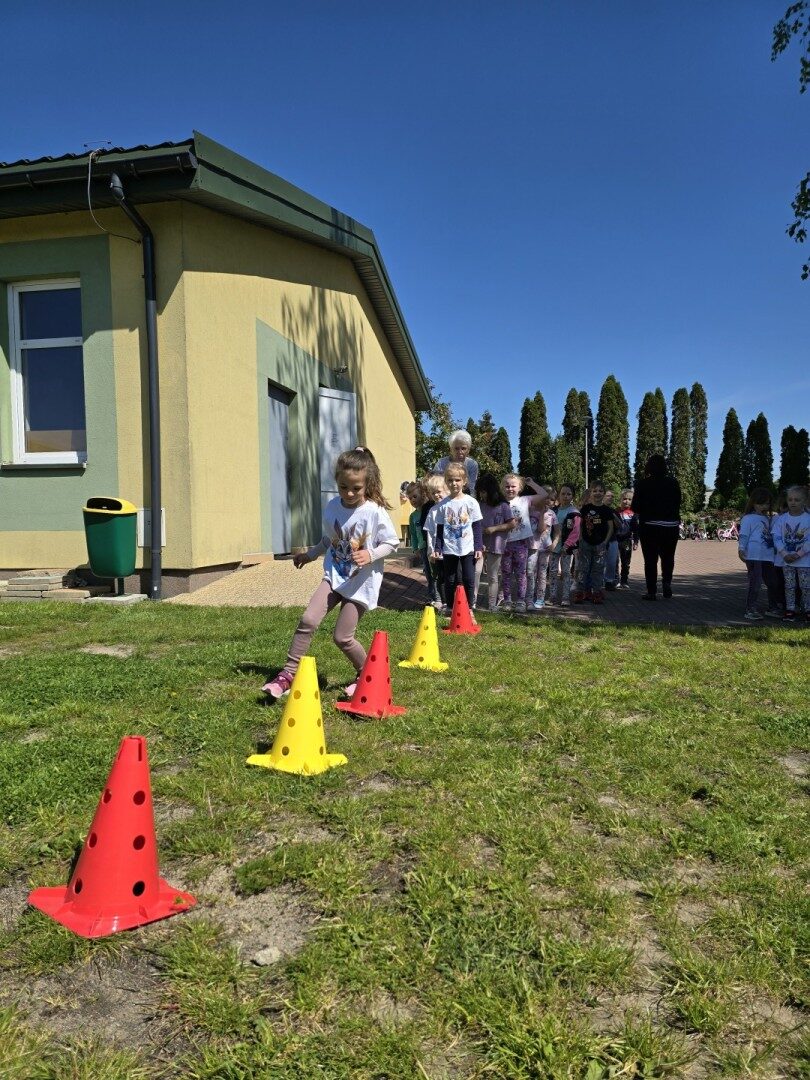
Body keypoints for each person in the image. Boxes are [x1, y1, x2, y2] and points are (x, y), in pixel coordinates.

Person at [262, 448, 399, 700]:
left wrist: (371, 555)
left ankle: (367, 675)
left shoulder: (374, 511)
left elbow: (391, 542)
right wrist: (310, 555)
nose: (349, 493)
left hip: (360, 583)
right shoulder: (333, 507)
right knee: (308, 620)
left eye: (356, 488)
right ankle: (288, 675)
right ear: (337, 481)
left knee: (342, 637)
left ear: (367, 483)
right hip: (334, 577)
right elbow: (329, 539)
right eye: (343, 487)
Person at [433, 463, 483, 615]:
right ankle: (450, 607)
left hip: (468, 548)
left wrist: (478, 547)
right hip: (449, 549)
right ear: (446, 481)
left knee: (468, 579)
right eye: (450, 480)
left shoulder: (471, 502)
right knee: (450, 579)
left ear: (464, 481)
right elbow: (440, 528)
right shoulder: (443, 505)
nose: (454, 483)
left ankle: (469, 608)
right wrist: (438, 547)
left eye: (457, 480)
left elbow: (477, 526)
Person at [631, 455, 681, 601]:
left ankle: (651, 591)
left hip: (649, 526)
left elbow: (635, 506)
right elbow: (678, 502)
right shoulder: (673, 482)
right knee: (668, 557)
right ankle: (666, 583)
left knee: (650, 560)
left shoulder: (642, 484)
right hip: (670, 526)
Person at [500, 474, 549, 613]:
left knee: (521, 574)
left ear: (520, 487)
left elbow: (544, 494)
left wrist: (531, 483)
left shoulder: (525, 500)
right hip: (504, 543)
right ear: (502, 488)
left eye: (513, 486)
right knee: (506, 573)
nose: (510, 489)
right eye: (507, 486)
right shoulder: (500, 502)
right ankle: (507, 600)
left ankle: (521, 601)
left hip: (521, 543)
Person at [474, 472, 515, 611]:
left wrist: (494, 528)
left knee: (492, 576)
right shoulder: (479, 504)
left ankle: (492, 605)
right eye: (480, 492)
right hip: (479, 544)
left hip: (496, 544)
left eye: (484, 492)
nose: (482, 495)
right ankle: (472, 602)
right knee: (476, 572)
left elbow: (511, 524)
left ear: (491, 490)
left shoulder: (503, 506)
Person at [738, 487, 780, 621]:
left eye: (766, 503)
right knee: (755, 584)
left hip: (768, 556)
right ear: (753, 503)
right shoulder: (748, 518)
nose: (763, 506)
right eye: (760, 503)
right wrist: (741, 549)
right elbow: (744, 535)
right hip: (753, 556)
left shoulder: (770, 518)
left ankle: (773, 607)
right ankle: (750, 609)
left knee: (773, 582)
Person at [772, 484, 810, 622]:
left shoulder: (808, 519)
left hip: (804, 561)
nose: (793, 502)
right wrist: (784, 554)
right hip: (786, 561)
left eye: (797, 500)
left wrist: (798, 555)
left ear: (804, 501)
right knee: (789, 586)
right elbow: (776, 537)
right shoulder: (781, 519)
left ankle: (808, 609)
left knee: (806, 587)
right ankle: (790, 609)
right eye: (790, 499)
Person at [573, 481, 614, 604]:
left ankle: (596, 592)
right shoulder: (586, 508)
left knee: (598, 570)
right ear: (590, 493)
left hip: (600, 544)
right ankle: (580, 592)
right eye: (595, 491)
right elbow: (580, 525)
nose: (597, 493)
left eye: (600, 491)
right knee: (582, 569)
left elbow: (610, 527)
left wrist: (605, 542)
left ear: (604, 493)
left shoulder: (607, 510)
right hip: (585, 543)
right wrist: (580, 539)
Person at [406, 480, 439, 607]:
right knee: (428, 573)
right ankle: (432, 597)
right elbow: (413, 534)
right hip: (423, 548)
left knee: (436, 572)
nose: (413, 500)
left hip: (432, 546)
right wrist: (415, 548)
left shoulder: (429, 510)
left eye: (415, 496)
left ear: (423, 494)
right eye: (410, 498)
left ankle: (440, 597)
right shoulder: (413, 516)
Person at [548, 484, 580, 607]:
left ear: (573, 496)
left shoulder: (574, 513)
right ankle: (552, 596)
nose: (565, 496)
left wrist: (567, 545)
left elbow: (576, 532)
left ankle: (565, 597)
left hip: (567, 548)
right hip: (554, 546)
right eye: (563, 494)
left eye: (568, 494)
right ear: (559, 495)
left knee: (566, 572)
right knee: (553, 571)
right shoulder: (553, 511)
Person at [423, 473, 450, 610]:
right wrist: (431, 551)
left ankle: (454, 602)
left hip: (452, 550)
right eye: (433, 493)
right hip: (437, 552)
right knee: (440, 577)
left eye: (439, 491)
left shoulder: (452, 507)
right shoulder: (432, 511)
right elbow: (429, 533)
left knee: (453, 577)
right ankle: (443, 602)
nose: (436, 495)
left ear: (447, 490)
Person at [527, 493, 555, 609]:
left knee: (542, 574)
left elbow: (554, 530)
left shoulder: (551, 513)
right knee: (530, 572)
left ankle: (540, 598)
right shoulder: (530, 510)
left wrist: (554, 543)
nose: (547, 500)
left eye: (550, 499)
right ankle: (529, 598)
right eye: (545, 497)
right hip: (532, 546)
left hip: (545, 547)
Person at [433, 429, 479, 494]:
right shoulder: (441, 463)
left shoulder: (472, 465)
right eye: (456, 448)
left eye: (463, 448)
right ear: (451, 449)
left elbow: (471, 488)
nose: (460, 452)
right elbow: (435, 484)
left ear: (468, 450)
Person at [615, 489, 639, 589]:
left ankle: (624, 581)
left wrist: (636, 541)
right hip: (615, 540)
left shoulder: (634, 513)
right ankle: (616, 580)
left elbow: (636, 529)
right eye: (624, 499)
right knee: (614, 561)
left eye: (629, 499)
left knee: (625, 562)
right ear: (620, 499)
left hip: (627, 541)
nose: (626, 501)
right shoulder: (616, 511)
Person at [603, 489, 620, 590]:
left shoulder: (614, 511)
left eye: (612, 496)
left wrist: (612, 515)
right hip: (600, 540)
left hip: (612, 540)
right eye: (608, 496)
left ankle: (609, 581)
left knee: (611, 562)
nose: (610, 498)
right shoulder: (598, 509)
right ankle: (599, 581)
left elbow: (619, 526)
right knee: (599, 562)